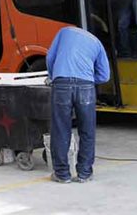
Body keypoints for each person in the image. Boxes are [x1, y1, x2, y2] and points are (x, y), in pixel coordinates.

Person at [45, 26, 110, 184]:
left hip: (61, 83)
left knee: (61, 129)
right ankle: (84, 173)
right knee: (87, 131)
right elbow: (104, 76)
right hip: (86, 86)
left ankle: (62, 174)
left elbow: (50, 57)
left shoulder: (64, 31)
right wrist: (88, 80)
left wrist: (52, 76)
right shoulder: (97, 43)